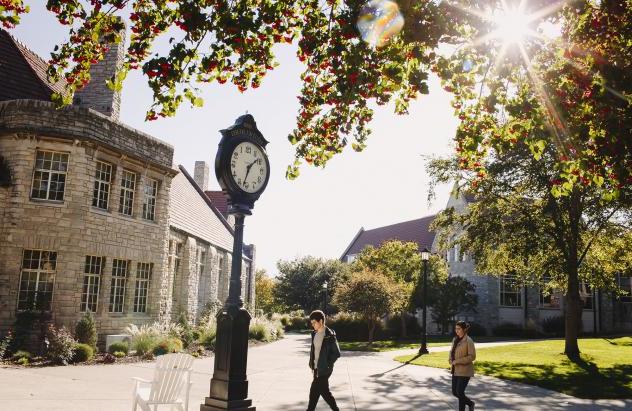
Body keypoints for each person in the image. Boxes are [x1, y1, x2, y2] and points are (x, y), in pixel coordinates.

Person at [306, 310, 341, 411]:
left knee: (314, 392)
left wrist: (327, 364)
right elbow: (314, 351)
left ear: (320, 321)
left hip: (325, 370)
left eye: (314, 323)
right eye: (311, 323)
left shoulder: (329, 335)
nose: (312, 325)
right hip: (317, 369)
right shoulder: (314, 334)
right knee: (323, 392)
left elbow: (336, 353)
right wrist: (312, 364)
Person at [449, 320, 476, 411]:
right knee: (455, 392)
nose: (456, 330)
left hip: (465, 370)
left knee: (460, 392)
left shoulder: (469, 340)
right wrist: (450, 359)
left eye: (459, 329)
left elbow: (472, 356)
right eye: (456, 328)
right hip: (455, 370)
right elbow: (451, 351)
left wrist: (458, 361)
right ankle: (470, 403)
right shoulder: (454, 339)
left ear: (464, 329)